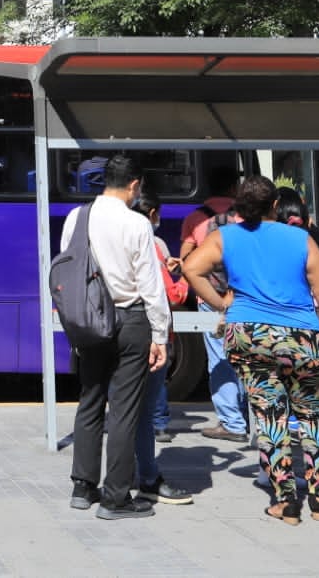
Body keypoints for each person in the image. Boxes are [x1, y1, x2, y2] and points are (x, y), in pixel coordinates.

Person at [184, 174, 319, 525]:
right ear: (275, 204)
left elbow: (191, 268)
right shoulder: (300, 238)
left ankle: (286, 502)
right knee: (314, 416)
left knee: (268, 416)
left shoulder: (224, 237)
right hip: (302, 336)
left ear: (239, 206)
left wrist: (221, 304)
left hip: (249, 335)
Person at [61, 154, 169, 520]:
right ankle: (116, 498)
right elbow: (150, 286)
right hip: (130, 319)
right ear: (134, 185)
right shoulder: (137, 223)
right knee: (123, 410)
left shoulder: (78, 217)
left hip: (89, 321)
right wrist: (161, 336)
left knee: (89, 400)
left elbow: (67, 268)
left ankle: (82, 487)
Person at [128, 190, 191, 504]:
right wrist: (184, 278)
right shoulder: (152, 242)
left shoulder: (109, 233)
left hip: (117, 330)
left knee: (122, 408)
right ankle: (149, 476)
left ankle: (119, 476)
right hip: (148, 332)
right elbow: (171, 294)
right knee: (144, 411)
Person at [178, 166, 248, 444]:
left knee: (219, 357)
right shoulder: (244, 217)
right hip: (242, 296)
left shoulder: (195, 219)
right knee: (245, 356)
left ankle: (231, 422)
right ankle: (247, 415)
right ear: (233, 189)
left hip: (211, 297)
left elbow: (186, 260)